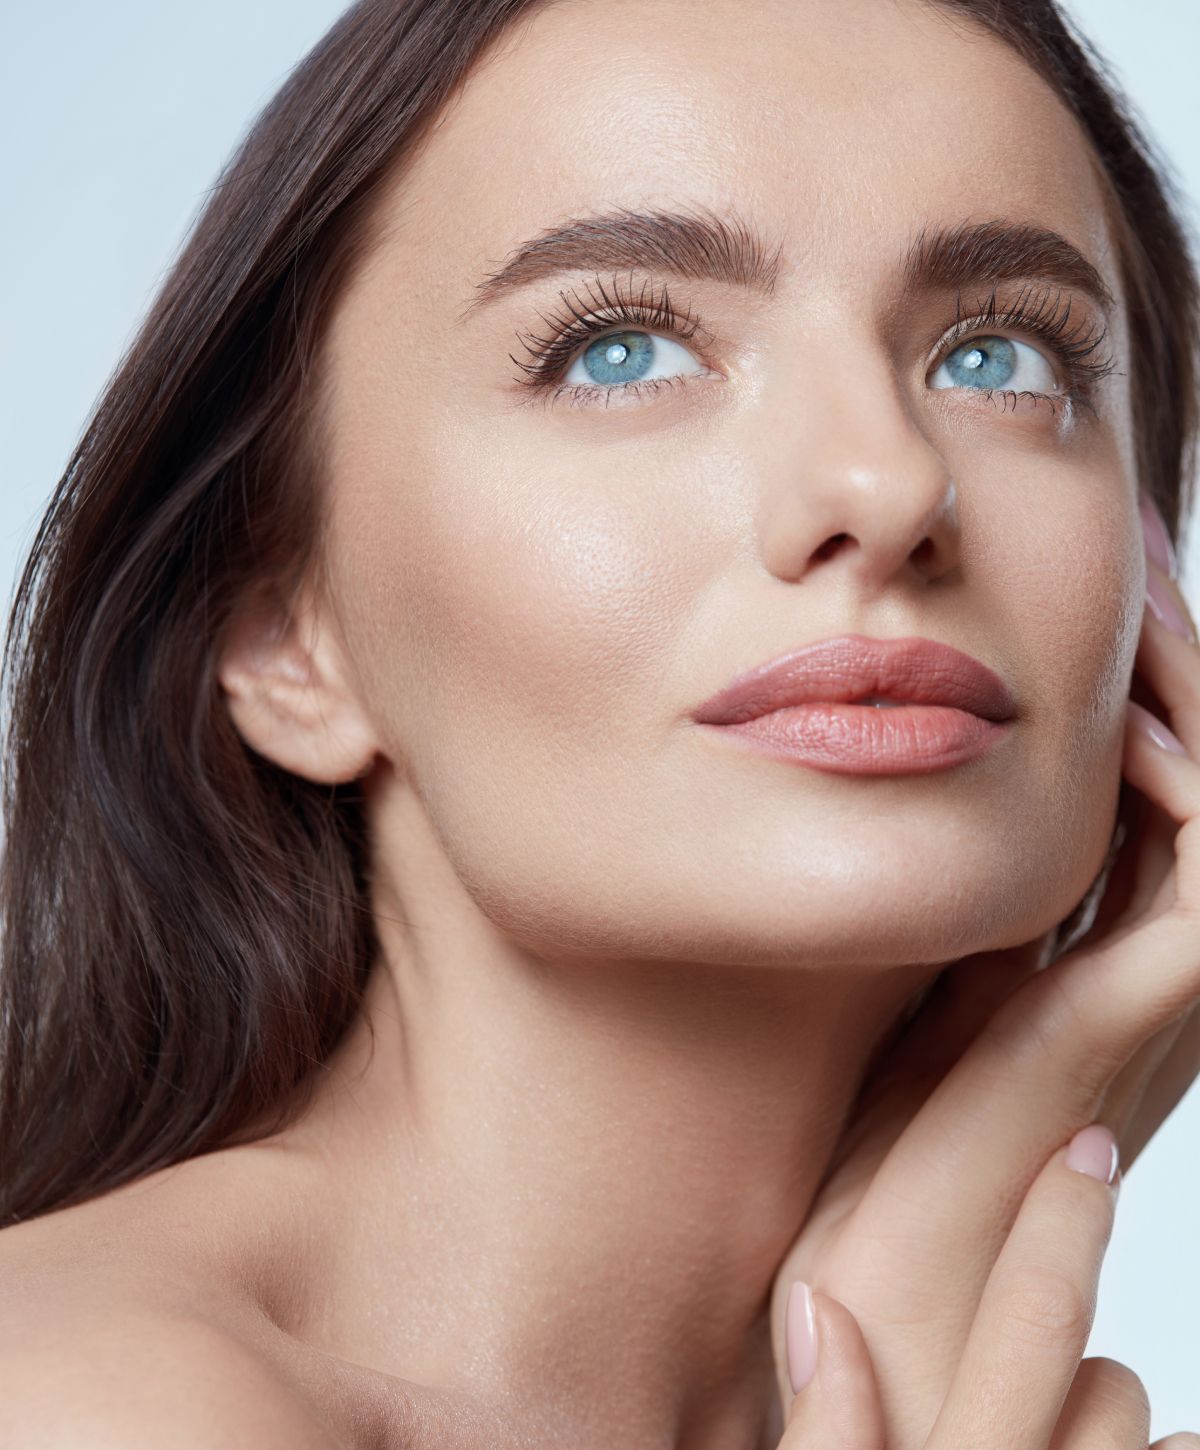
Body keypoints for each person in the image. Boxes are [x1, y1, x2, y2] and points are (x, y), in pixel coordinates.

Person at [0, 0, 1198, 1444]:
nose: (888, 483)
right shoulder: (91, 1400)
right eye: (619, 351)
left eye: (1001, 356)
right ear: (283, 630)